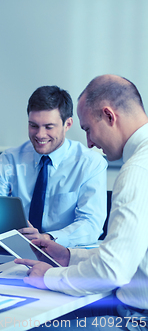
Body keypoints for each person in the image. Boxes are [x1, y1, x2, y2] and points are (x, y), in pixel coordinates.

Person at [16, 75, 148, 329]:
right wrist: (69, 256)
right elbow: (131, 252)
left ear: (109, 116)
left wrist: (49, 277)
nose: (89, 143)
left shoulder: (137, 171)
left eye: (88, 129)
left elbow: (113, 270)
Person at [0, 86, 107, 247]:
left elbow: (91, 225)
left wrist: (48, 238)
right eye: (33, 125)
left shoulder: (90, 163)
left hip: (65, 257)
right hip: (14, 251)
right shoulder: (9, 160)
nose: (40, 134)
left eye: (48, 127)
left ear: (68, 124)